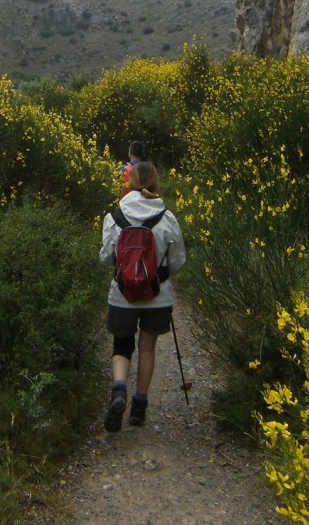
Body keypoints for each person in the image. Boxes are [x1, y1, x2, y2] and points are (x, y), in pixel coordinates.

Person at [99, 160, 186, 431]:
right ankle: (139, 406)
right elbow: (178, 261)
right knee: (147, 347)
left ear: (130, 182)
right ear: (156, 182)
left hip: (123, 295)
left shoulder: (115, 216)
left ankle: (119, 390)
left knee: (121, 345)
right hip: (157, 296)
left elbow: (106, 258)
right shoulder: (167, 217)